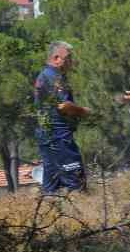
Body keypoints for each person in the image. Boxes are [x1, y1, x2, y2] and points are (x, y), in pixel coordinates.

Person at [34, 41, 90, 193]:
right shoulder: (55, 77)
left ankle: (50, 213)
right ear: (56, 58)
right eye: (69, 58)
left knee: (51, 187)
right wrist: (82, 111)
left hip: (46, 136)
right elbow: (63, 106)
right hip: (60, 138)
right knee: (77, 182)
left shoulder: (43, 75)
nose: (71, 62)